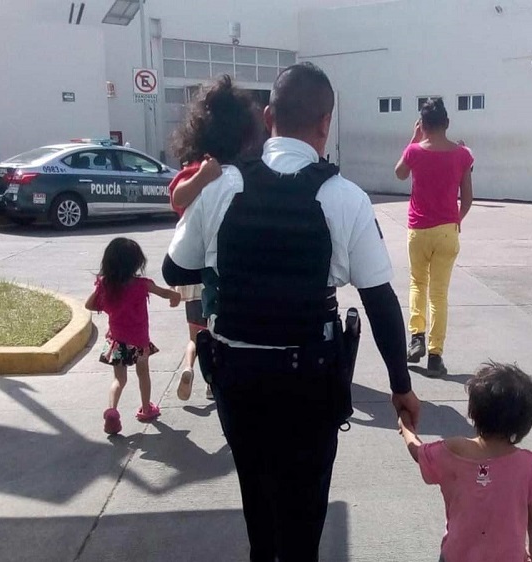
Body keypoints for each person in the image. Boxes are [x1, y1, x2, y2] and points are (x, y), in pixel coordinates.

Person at [163, 62, 420, 562]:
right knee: (304, 521)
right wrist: (400, 386)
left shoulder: (219, 186)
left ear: (268, 117)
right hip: (310, 386)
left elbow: (175, 269)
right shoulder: (345, 198)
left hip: (238, 381)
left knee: (258, 511)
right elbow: (380, 301)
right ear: (326, 122)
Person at [398, 362, 532, 562]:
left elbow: (418, 452)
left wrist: (406, 425)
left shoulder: (453, 450)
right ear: (525, 422)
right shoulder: (528, 465)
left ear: (474, 411)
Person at [167, 76, 257, 401]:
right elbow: (178, 196)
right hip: (214, 271)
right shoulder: (206, 169)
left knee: (199, 330)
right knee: (208, 329)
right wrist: (204, 176)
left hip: (200, 271)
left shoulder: (211, 169)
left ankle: (199, 369)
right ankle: (207, 373)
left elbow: (177, 200)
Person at [395, 98, 474, 377]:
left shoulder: (415, 151)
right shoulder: (462, 155)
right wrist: (456, 219)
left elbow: (399, 173)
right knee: (439, 293)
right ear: (447, 123)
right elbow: (467, 198)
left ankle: (416, 336)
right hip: (447, 231)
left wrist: (413, 138)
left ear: (423, 125)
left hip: (418, 229)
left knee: (418, 283)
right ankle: (435, 355)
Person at [85, 237, 181, 435]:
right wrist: (176, 295)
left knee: (119, 380)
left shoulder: (105, 284)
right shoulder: (142, 284)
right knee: (143, 374)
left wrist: (106, 304)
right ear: (136, 263)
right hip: (139, 342)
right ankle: (146, 409)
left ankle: (112, 410)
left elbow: (89, 305)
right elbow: (165, 293)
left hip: (116, 341)